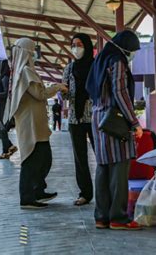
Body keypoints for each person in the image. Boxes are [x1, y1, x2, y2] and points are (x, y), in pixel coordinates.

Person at [85, 29, 143, 230]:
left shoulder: (100, 59)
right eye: (132, 50)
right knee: (119, 166)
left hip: (99, 118)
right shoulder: (117, 61)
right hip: (114, 120)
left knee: (103, 166)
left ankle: (101, 216)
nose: (132, 54)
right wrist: (134, 122)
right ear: (125, 47)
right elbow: (120, 92)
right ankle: (118, 217)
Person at [3, 37, 68, 209]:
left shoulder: (23, 71)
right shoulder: (25, 71)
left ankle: (38, 190)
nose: (34, 55)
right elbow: (40, 94)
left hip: (35, 123)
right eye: (32, 52)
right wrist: (58, 87)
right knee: (31, 160)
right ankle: (27, 197)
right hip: (30, 123)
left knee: (44, 158)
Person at [62, 33, 95, 206]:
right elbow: (64, 91)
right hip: (76, 117)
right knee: (80, 157)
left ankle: (107, 190)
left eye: (79, 44)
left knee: (101, 155)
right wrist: (62, 92)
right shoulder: (69, 68)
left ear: (87, 45)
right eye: (73, 44)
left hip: (95, 116)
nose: (76, 48)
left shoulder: (96, 66)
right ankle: (85, 193)